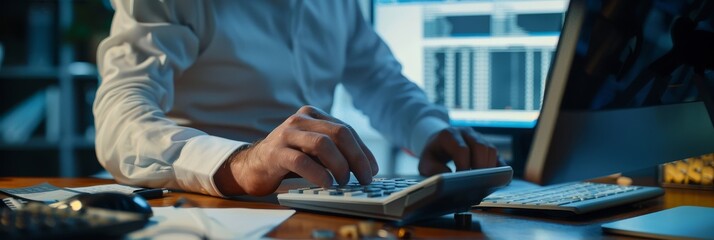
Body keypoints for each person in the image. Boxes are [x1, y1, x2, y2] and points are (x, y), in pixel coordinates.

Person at [94, 0, 499, 197]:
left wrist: (429, 131)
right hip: (206, 208)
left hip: (315, 203)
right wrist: (240, 161)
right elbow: (119, 118)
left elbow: (378, 78)